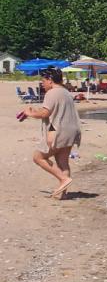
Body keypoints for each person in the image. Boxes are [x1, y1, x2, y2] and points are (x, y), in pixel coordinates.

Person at [21, 68, 80, 199]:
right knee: (63, 162)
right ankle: (63, 194)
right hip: (72, 129)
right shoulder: (65, 92)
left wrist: (29, 113)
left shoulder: (52, 93)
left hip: (57, 129)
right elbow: (53, 111)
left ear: (50, 80)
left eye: (43, 81)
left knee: (38, 157)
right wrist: (36, 111)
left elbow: (45, 113)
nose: (42, 84)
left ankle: (63, 179)